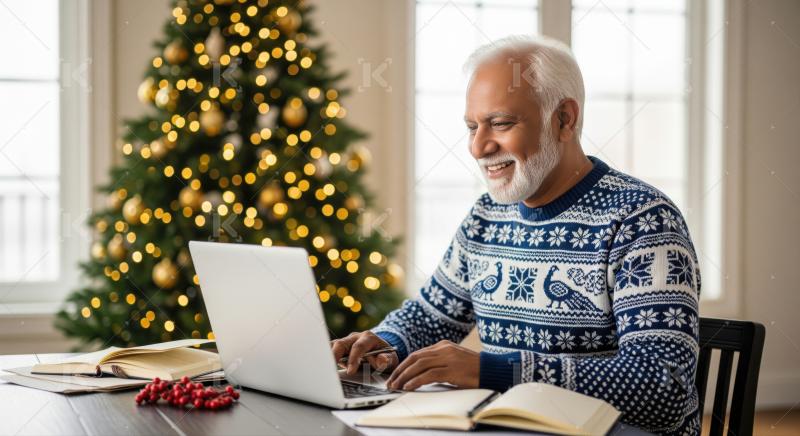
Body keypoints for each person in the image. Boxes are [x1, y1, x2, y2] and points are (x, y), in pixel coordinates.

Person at [331, 35, 700, 435]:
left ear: (564, 119)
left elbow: (666, 388)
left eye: (501, 123)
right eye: (472, 127)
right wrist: (384, 345)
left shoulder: (643, 220)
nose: (478, 147)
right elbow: (429, 318)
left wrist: (495, 371)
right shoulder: (487, 216)